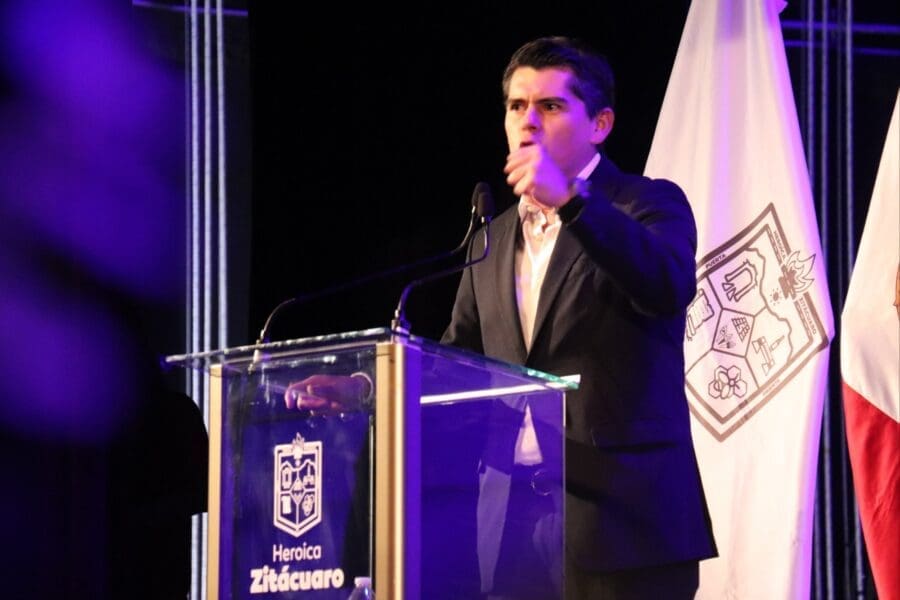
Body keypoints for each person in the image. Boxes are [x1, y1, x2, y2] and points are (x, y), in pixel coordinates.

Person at [440, 36, 717, 599]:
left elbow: (666, 286)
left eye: (550, 105)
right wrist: (365, 388)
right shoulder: (491, 238)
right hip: (511, 532)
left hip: (625, 527)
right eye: (517, 106)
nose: (528, 120)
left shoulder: (648, 204)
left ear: (600, 124)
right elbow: (454, 363)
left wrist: (572, 201)